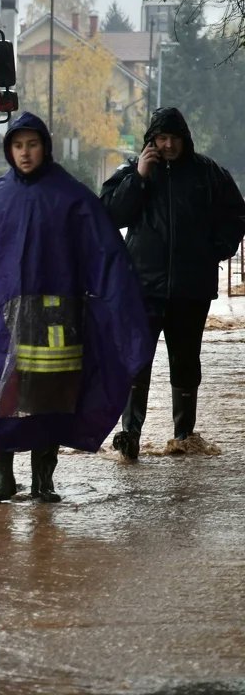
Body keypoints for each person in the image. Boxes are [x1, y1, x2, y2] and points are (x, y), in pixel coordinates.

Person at [0, 112, 150, 503]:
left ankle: (44, 481)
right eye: (18, 146)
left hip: (57, 318)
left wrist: (122, 308)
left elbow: (104, 252)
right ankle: (2, 478)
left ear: (45, 147)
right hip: (2, 320)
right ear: (9, 149)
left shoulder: (71, 196)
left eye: (32, 145)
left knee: (53, 399)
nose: (25, 153)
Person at [101, 106, 245, 460]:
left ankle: (183, 436)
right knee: (136, 360)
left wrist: (216, 250)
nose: (167, 145)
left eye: (173, 139)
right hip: (141, 288)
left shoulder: (208, 173)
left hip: (190, 288)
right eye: (161, 139)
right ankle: (129, 434)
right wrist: (139, 177)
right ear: (151, 140)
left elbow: (236, 214)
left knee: (185, 361)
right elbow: (109, 213)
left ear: (185, 140)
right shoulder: (134, 171)